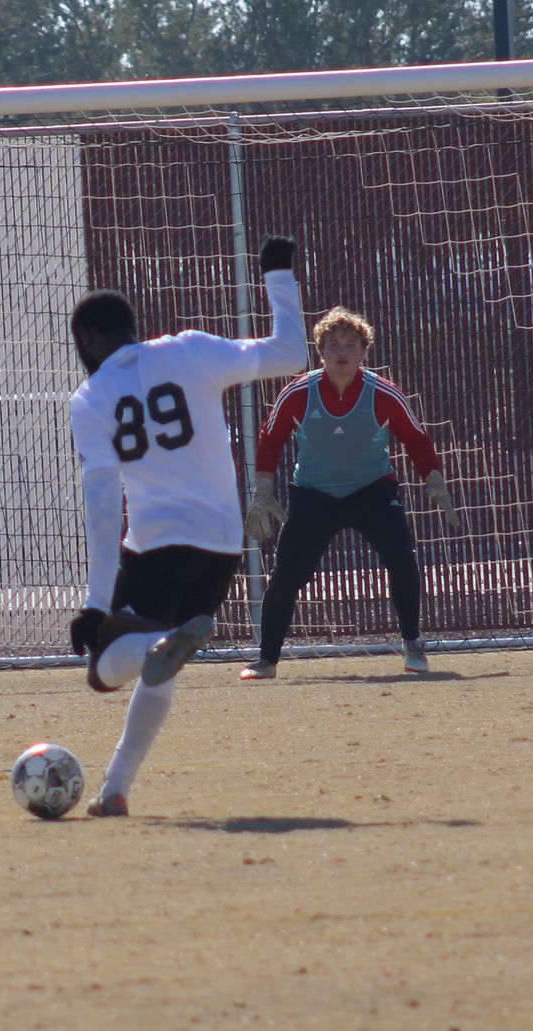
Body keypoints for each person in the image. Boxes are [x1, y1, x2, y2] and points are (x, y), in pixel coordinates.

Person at [68, 234, 308, 817]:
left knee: (104, 671)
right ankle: (115, 788)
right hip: (222, 547)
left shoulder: (91, 396)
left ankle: (155, 643)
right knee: (160, 666)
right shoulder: (189, 349)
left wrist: (96, 601)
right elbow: (289, 354)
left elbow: (102, 503)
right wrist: (278, 275)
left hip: (156, 546)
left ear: (93, 340)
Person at [238, 307, 459, 680]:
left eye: (351, 344)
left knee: (402, 557)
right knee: (286, 575)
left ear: (363, 351)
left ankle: (412, 645)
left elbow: (416, 439)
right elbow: (270, 438)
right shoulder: (298, 392)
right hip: (313, 494)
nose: (343, 351)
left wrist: (434, 482)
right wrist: (262, 492)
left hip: (373, 491)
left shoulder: (383, 392)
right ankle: (266, 660)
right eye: (334, 344)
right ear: (320, 350)